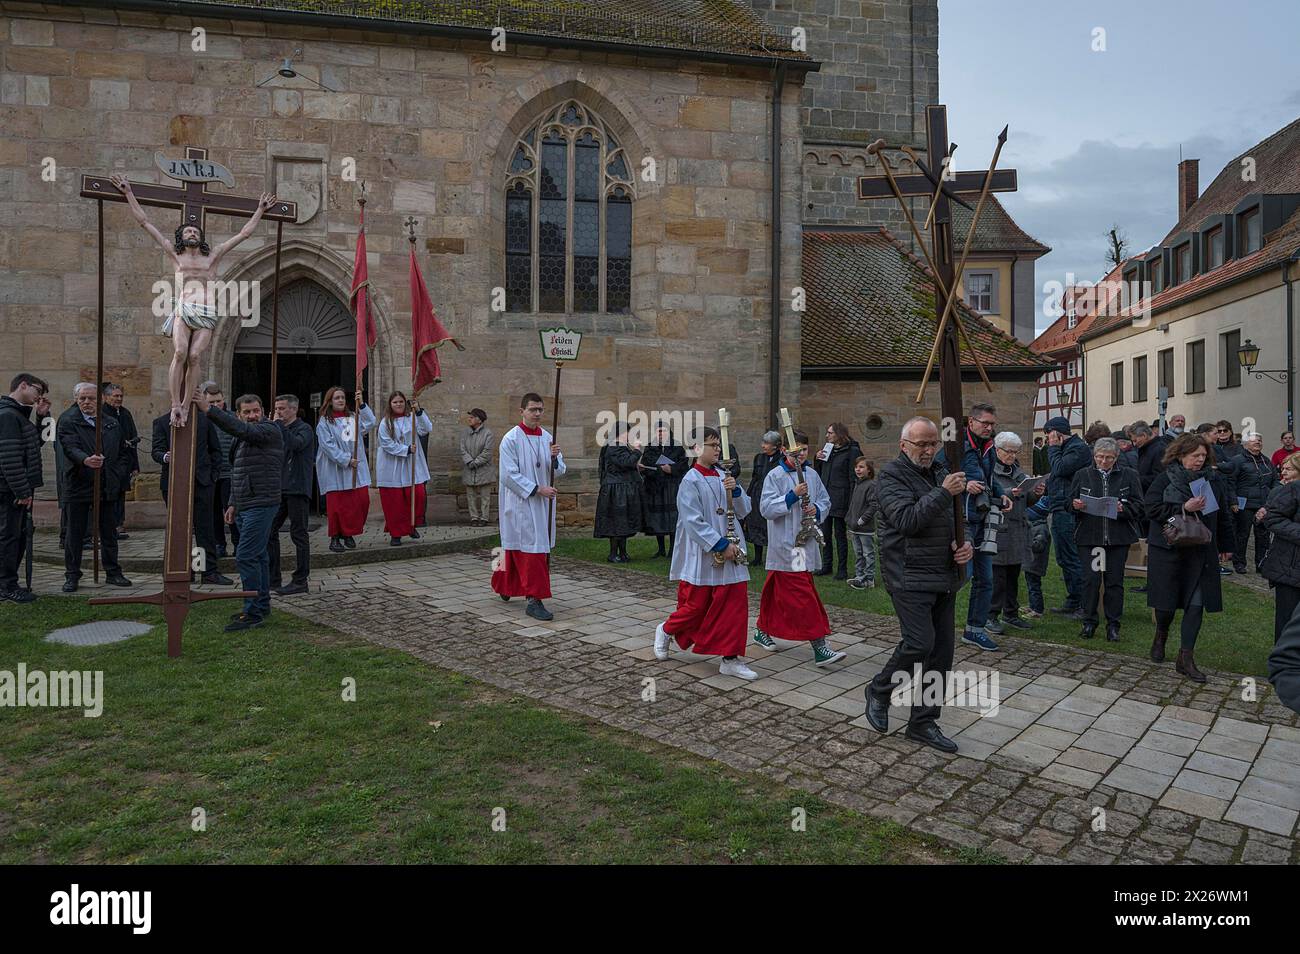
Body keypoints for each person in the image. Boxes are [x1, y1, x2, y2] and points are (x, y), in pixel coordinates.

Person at [112, 174, 276, 427]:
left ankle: (187, 404)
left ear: (200, 237)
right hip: (185, 310)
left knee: (196, 357)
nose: (192, 232)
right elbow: (145, 223)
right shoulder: (176, 256)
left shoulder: (213, 257)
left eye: (195, 230)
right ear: (181, 237)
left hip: (207, 311)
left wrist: (260, 210)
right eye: (187, 230)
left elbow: (243, 234)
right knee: (179, 352)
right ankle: (175, 404)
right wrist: (128, 193)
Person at [864, 416, 972, 753]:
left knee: (941, 654)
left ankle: (923, 722)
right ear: (903, 445)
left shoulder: (940, 473)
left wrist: (963, 543)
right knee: (919, 643)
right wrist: (943, 493)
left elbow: (956, 519)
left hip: (943, 574)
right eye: (921, 444)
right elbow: (908, 521)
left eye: (932, 443)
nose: (928, 450)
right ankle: (880, 689)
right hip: (908, 575)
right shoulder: (890, 477)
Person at [653, 427, 757, 680]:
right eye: (712, 445)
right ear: (697, 449)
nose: (718, 449)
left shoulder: (725, 475)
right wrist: (720, 545)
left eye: (718, 445)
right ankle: (666, 630)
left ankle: (730, 658)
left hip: (733, 547)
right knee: (697, 606)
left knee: (734, 604)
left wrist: (738, 491)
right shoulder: (690, 480)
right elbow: (692, 521)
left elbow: (744, 511)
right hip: (704, 552)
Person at [1143, 433, 1234, 682]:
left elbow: (1222, 514)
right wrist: (1183, 508)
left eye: (1204, 456)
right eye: (1195, 456)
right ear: (1181, 455)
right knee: (1166, 605)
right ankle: (1161, 633)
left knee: (1196, 605)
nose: (1199, 460)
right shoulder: (1165, 479)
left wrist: (1226, 545)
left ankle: (1185, 658)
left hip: (1200, 551)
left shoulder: (1212, 480)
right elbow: (1150, 509)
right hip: (1168, 550)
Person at [754, 430, 846, 665]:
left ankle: (762, 629)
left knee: (777, 587)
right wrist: (792, 496)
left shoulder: (812, 474)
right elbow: (766, 509)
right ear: (784, 451)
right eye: (795, 451)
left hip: (806, 542)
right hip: (787, 544)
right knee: (802, 594)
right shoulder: (775, 476)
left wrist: (816, 508)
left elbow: (825, 500)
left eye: (804, 450)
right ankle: (819, 645)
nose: (801, 455)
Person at [202, 391, 283, 632]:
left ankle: (252, 612)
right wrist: (232, 503)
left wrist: (209, 409)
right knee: (258, 556)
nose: (252, 416)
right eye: (246, 412)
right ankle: (261, 605)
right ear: (238, 413)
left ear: (263, 411)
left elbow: (243, 430)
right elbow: (239, 470)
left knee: (246, 556)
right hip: (246, 503)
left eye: (255, 411)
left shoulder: (269, 430)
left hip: (263, 502)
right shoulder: (242, 437)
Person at [493, 392, 566, 621]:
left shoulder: (547, 437)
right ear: (522, 411)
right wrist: (537, 489)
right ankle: (534, 600)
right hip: (519, 502)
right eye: (532, 409)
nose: (537, 414)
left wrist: (555, 459)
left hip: (541, 504)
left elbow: (560, 469)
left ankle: (503, 584)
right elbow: (508, 475)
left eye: (540, 410)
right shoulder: (510, 439)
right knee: (527, 549)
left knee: (524, 546)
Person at [57, 383, 133, 592]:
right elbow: (69, 446)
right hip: (79, 484)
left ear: (99, 400)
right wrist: (85, 460)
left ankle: (113, 572)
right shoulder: (68, 420)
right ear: (76, 399)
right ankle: (72, 575)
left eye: (91, 398)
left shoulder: (110, 422)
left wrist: (118, 472)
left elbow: (121, 451)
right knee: (76, 533)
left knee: (109, 531)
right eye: (82, 399)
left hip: (107, 484)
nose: (87, 402)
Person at [1070, 437, 1144, 641]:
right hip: (1090, 538)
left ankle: (1113, 625)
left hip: (1117, 539)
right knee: (1091, 581)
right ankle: (1089, 621)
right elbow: (1068, 502)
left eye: (1109, 458)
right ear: (1094, 456)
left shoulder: (1129, 475)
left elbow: (1139, 506)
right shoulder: (1082, 474)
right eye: (1100, 457)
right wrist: (1075, 505)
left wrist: (1123, 509)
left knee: (1114, 582)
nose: (1103, 462)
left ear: (1116, 457)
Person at [151, 405, 231, 586]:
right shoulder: (162, 422)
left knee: (204, 530)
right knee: (179, 530)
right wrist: (165, 456)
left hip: (202, 483)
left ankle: (206, 570)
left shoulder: (204, 420)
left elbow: (215, 450)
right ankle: (183, 570)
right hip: (173, 484)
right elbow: (156, 450)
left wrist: (212, 476)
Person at [958, 402, 1009, 651]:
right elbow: (939, 473)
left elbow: (989, 477)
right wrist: (964, 483)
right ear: (971, 422)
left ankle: (974, 630)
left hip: (984, 519)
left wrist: (1001, 493)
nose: (989, 427)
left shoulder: (988, 446)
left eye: (992, 424)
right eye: (985, 423)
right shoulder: (956, 445)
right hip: (962, 520)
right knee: (960, 577)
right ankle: (932, 624)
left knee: (985, 579)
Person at [1028, 416, 1091, 618]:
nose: (1047, 440)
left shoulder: (1077, 448)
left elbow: (1060, 468)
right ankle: (1074, 600)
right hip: (1059, 506)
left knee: (1071, 557)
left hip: (1068, 509)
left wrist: (1053, 448)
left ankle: (1082, 603)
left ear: (1056, 433)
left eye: (1049, 436)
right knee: (1064, 557)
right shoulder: (1070, 448)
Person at [0, 373, 48, 604]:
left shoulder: (20, 417)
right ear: (23, 385)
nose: (40, 396)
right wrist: (22, 492)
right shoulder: (8, 415)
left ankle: (8, 583)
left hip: (17, 490)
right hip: (10, 491)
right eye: (38, 391)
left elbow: (42, 442)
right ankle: (6, 586)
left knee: (16, 536)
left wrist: (44, 417)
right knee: (9, 538)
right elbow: (9, 459)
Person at [986, 431, 1038, 634]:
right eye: (1009, 452)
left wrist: (1035, 493)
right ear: (997, 450)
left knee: (1013, 576)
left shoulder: (1018, 471)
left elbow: (1027, 501)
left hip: (1017, 530)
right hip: (999, 530)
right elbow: (985, 497)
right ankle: (990, 616)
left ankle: (1011, 613)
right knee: (997, 578)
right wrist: (1008, 493)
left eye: (1015, 452)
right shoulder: (990, 471)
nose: (1012, 456)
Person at [315, 386, 376, 552]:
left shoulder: (351, 418)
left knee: (361, 502)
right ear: (330, 401)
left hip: (355, 468)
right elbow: (328, 446)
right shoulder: (325, 422)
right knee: (338, 506)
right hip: (336, 469)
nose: (340, 400)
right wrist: (346, 460)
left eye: (342, 397)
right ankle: (335, 537)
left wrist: (362, 404)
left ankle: (348, 533)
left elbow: (370, 423)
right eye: (336, 398)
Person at [269, 394, 314, 595]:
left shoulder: (304, 429)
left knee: (299, 533)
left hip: (297, 487)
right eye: (276, 408)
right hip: (280, 487)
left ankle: (300, 579)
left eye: (282, 408)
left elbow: (295, 445)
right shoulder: (279, 428)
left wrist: (278, 427)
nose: (278, 412)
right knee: (269, 530)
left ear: (294, 409)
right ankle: (273, 577)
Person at [375, 391, 432, 546]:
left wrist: (419, 411)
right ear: (390, 404)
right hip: (392, 465)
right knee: (395, 502)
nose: (398, 404)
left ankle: (411, 525)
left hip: (411, 466)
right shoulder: (385, 422)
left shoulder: (412, 418)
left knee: (417, 496)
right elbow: (385, 443)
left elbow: (426, 429)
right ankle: (396, 533)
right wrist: (405, 450)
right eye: (395, 402)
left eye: (401, 401)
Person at [812, 422, 862, 579]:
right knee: (825, 533)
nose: (827, 436)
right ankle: (827, 565)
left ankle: (842, 569)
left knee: (840, 535)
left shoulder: (852, 451)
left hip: (841, 497)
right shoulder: (828, 450)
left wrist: (851, 502)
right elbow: (820, 473)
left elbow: (852, 478)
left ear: (839, 434)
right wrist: (817, 459)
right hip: (825, 497)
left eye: (830, 433)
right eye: (827, 433)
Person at [1261, 452, 1300, 643]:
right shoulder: (1293, 489)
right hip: (1290, 568)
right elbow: (1273, 518)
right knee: (1288, 622)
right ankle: (1283, 667)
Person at [640, 419, 688, 558]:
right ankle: (661, 549)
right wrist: (656, 470)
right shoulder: (650, 447)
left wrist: (671, 469)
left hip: (672, 487)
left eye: (664, 431)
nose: (661, 434)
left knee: (672, 518)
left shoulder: (677, 447)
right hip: (655, 487)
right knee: (657, 518)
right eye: (659, 431)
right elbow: (646, 463)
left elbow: (683, 465)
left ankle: (673, 549)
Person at [1232, 431, 1277, 574]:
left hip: (1263, 504)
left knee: (1263, 536)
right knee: (1242, 535)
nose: (1258, 442)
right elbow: (1231, 482)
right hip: (1244, 504)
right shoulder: (1238, 460)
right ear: (1245, 444)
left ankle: (1261, 563)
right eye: (1254, 441)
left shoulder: (1266, 461)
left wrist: (1273, 495)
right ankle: (1239, 563)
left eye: (1260, 440)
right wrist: (1233, 501)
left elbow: (1275, 480)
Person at [100, 383, 139, 539]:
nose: (118, 399)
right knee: (110, 495)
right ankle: (108, 528)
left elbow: (133, 437)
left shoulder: (125, 413)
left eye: (120, 396)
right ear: (106, 397)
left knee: (120, 494)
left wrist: (135, 465)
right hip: (109, 463)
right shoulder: (102, 413)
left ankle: (118, 525)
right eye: (115, 396)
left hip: (124, 462)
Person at [203, 382, 237, 558]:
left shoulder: (232, 418)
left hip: (229, 472)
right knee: (214, 511)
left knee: (231, 510)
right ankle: (219, 544)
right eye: (212, 402)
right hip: (210, 473)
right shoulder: (203, 419)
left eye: (219, 401)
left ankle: (238, 544)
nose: (216, 406)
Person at [744, 431, 783, 565]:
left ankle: (773, 555)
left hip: (773, 495)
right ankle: (758, 557)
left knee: (771, 525)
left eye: (766, 443)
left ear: (775, 445)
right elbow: (755, 477)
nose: (763, 446)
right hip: (757, 493)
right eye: (763, 442)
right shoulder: (759, 458)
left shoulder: (781, 459)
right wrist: (748, 495)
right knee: (756, 524)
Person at [846, 456, 879, 589]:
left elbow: (874, 504)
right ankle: (859, 576)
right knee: (858, 554)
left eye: (861, 467)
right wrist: (849, 519)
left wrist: (863, 519)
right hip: (854, 527)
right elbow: (853, 505)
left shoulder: (871, 485)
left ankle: (869, 579)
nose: (858, 470)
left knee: (868, 554)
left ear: (869, 470)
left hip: (865, 528)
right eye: (856, 467)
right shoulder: (857, 484)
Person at [460, 408, 495, 527]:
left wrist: (475, 462)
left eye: (472, 417)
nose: (469, 419)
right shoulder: (465, 433)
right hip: (469, 468)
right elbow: (462, 449)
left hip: (484, 469)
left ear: (479, 420)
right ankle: (474, 518)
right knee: (471, 495)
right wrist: (469, 461)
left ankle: (484, 517)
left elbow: (487, 452)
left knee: (485, 496)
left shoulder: (488, 433)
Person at [1131, 421, 1170, 492]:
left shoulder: (1159, 450)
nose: (1134, 444)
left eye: (1135, 440)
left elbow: (1159, 478)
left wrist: (1136, 480)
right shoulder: (1146, 448)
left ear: (1144, 435)